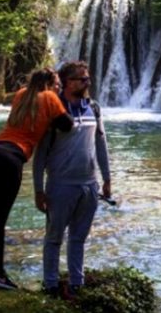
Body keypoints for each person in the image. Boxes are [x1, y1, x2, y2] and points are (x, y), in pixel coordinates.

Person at [0, 68, 73, 290]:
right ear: (50, 84)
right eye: (58, 84)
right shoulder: (50, 97)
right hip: (11, 159)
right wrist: (59, 100)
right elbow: (67, 125)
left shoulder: (21, 94)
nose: (59, 88)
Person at [32, 60, 111, 298]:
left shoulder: (93, 108)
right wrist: (38, 189)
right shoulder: (55, 110)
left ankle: (77, 284)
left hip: (89, 185)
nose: (87, 82)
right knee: (54, 238)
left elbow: (101, 144)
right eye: (81, 79)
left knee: (78, 238)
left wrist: (107, 179)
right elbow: (40, 154)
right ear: (66, 82)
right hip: (60, 185)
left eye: (88, 78)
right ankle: (51, 285)